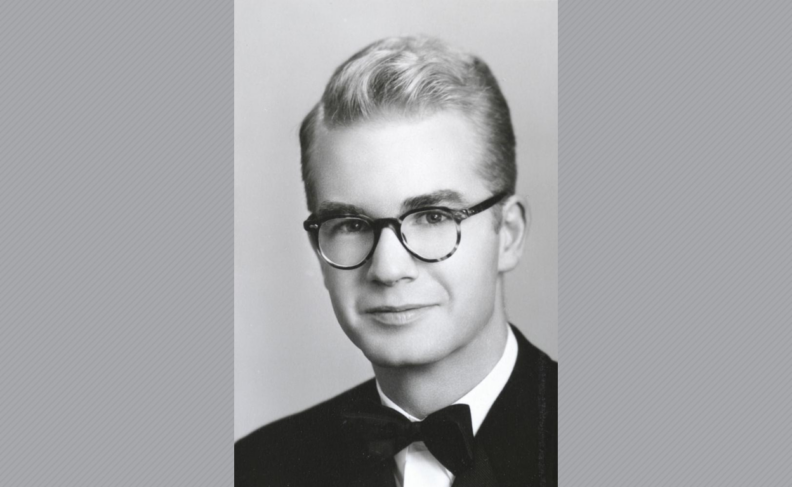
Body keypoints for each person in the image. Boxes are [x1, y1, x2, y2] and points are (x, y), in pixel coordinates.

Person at [235, 35, 557, 487]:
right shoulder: (252, 469)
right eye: (350, 223)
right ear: (318, 250)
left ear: (509, 234)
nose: (388, 269)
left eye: (432, 216)